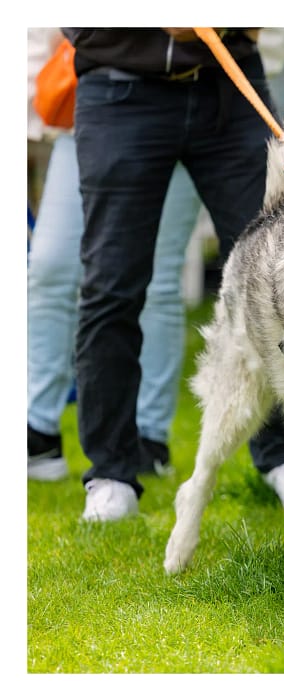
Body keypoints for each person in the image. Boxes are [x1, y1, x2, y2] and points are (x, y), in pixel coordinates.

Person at [62, 27, 284, 521]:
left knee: (276, 278)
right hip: (120, 87)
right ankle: (111, 472)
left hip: (229, 85)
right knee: (112, 284)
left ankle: (282, 457)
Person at [27, 28, 201, 484]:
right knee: (49, 267)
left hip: (187, 98)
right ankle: (37, 429)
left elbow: (268, 35)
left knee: (159, 279)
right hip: (92, 103)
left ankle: (148, 436)